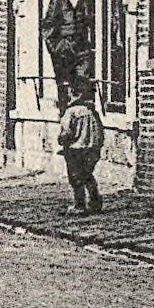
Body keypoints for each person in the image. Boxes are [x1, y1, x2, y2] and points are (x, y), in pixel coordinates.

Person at [41, 0, 96, 111]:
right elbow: (48, 25)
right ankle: (66, 125)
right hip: (63, 49)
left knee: (82, 85)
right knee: (65, 86)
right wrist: (57, 46)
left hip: (84, 47)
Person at [58, 79, 105, 215]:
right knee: (88, 176)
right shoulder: (92, 111)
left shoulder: (71, 112)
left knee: (76, 178)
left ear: (73, 94)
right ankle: (95, 202)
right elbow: (100, 131)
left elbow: (66, 133)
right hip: (92, 149)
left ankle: (80, 205)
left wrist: (62, 141)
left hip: (76, 150)